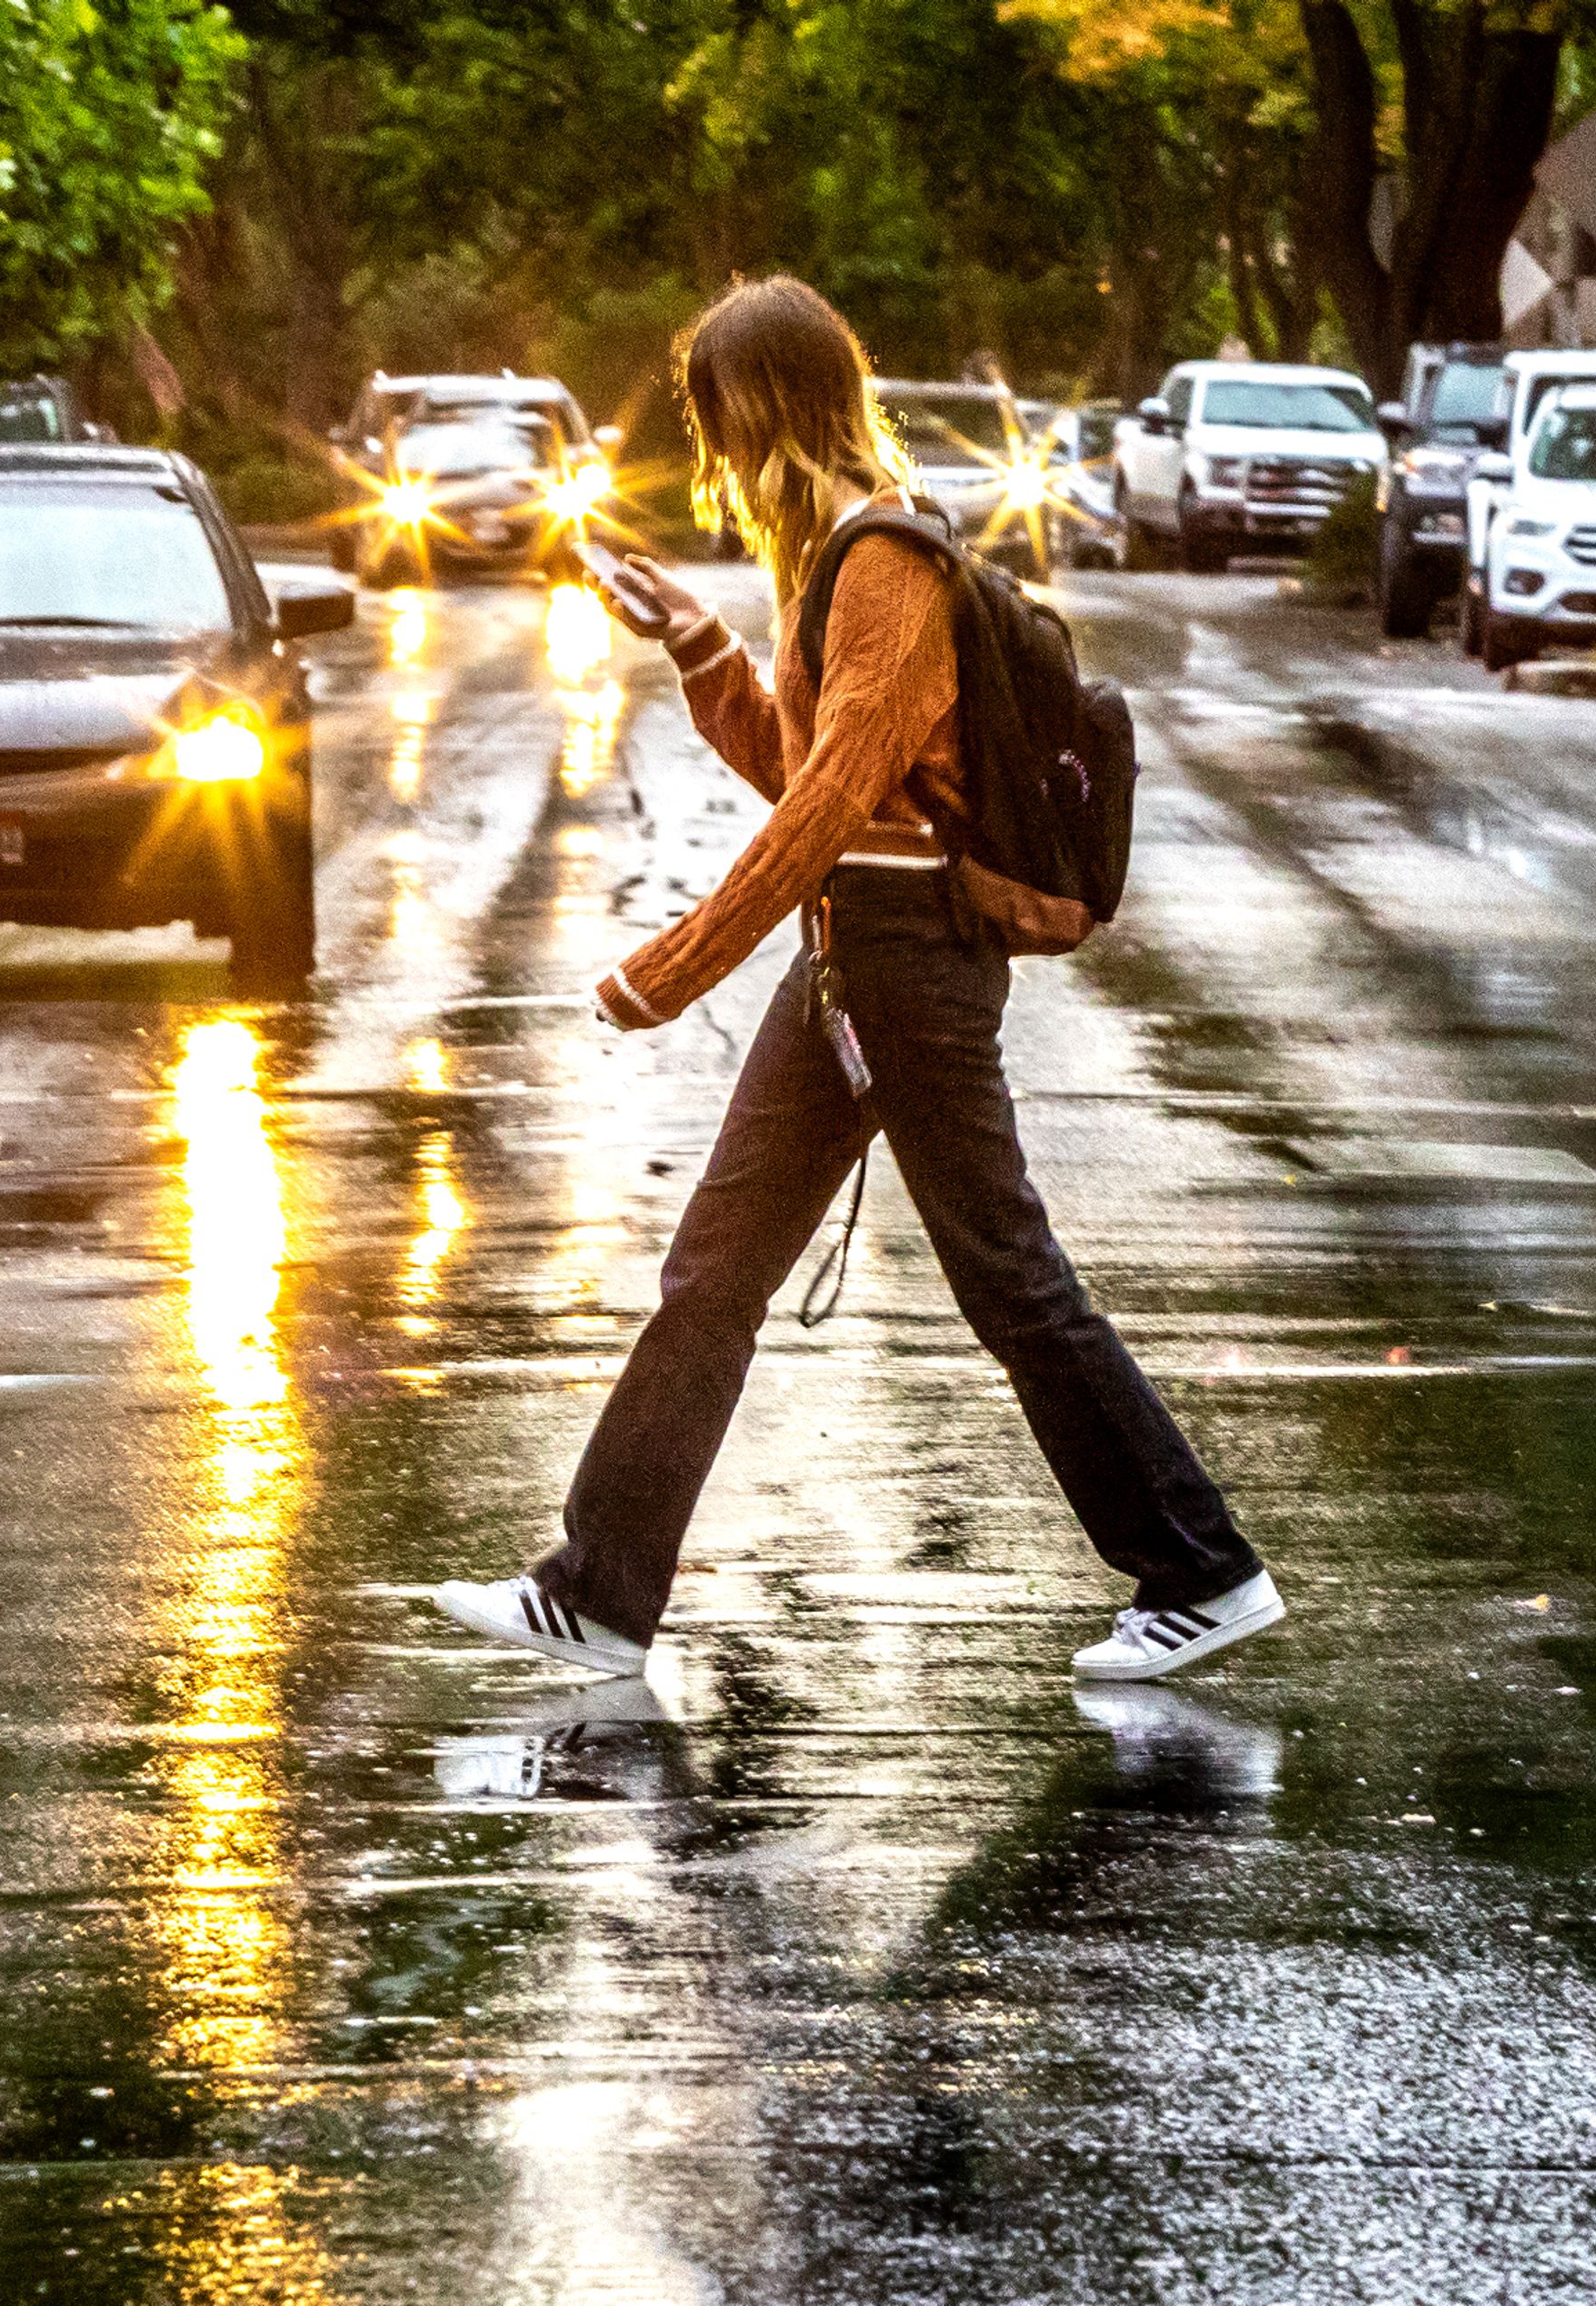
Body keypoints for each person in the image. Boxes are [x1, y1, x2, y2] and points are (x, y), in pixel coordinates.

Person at [432, 276, 1284, 1686]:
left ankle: (1199, 1567)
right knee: (716, 1269)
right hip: (856, 956)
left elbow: (827, 801)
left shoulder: (881, 559)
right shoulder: (833, 550)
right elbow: (807, 765)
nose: (706, 451)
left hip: (908, 964)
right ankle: (598, 1587)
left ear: (758, 408)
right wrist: (697, 645)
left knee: (1008, 1276)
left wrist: (674, 964)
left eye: (712, 415)